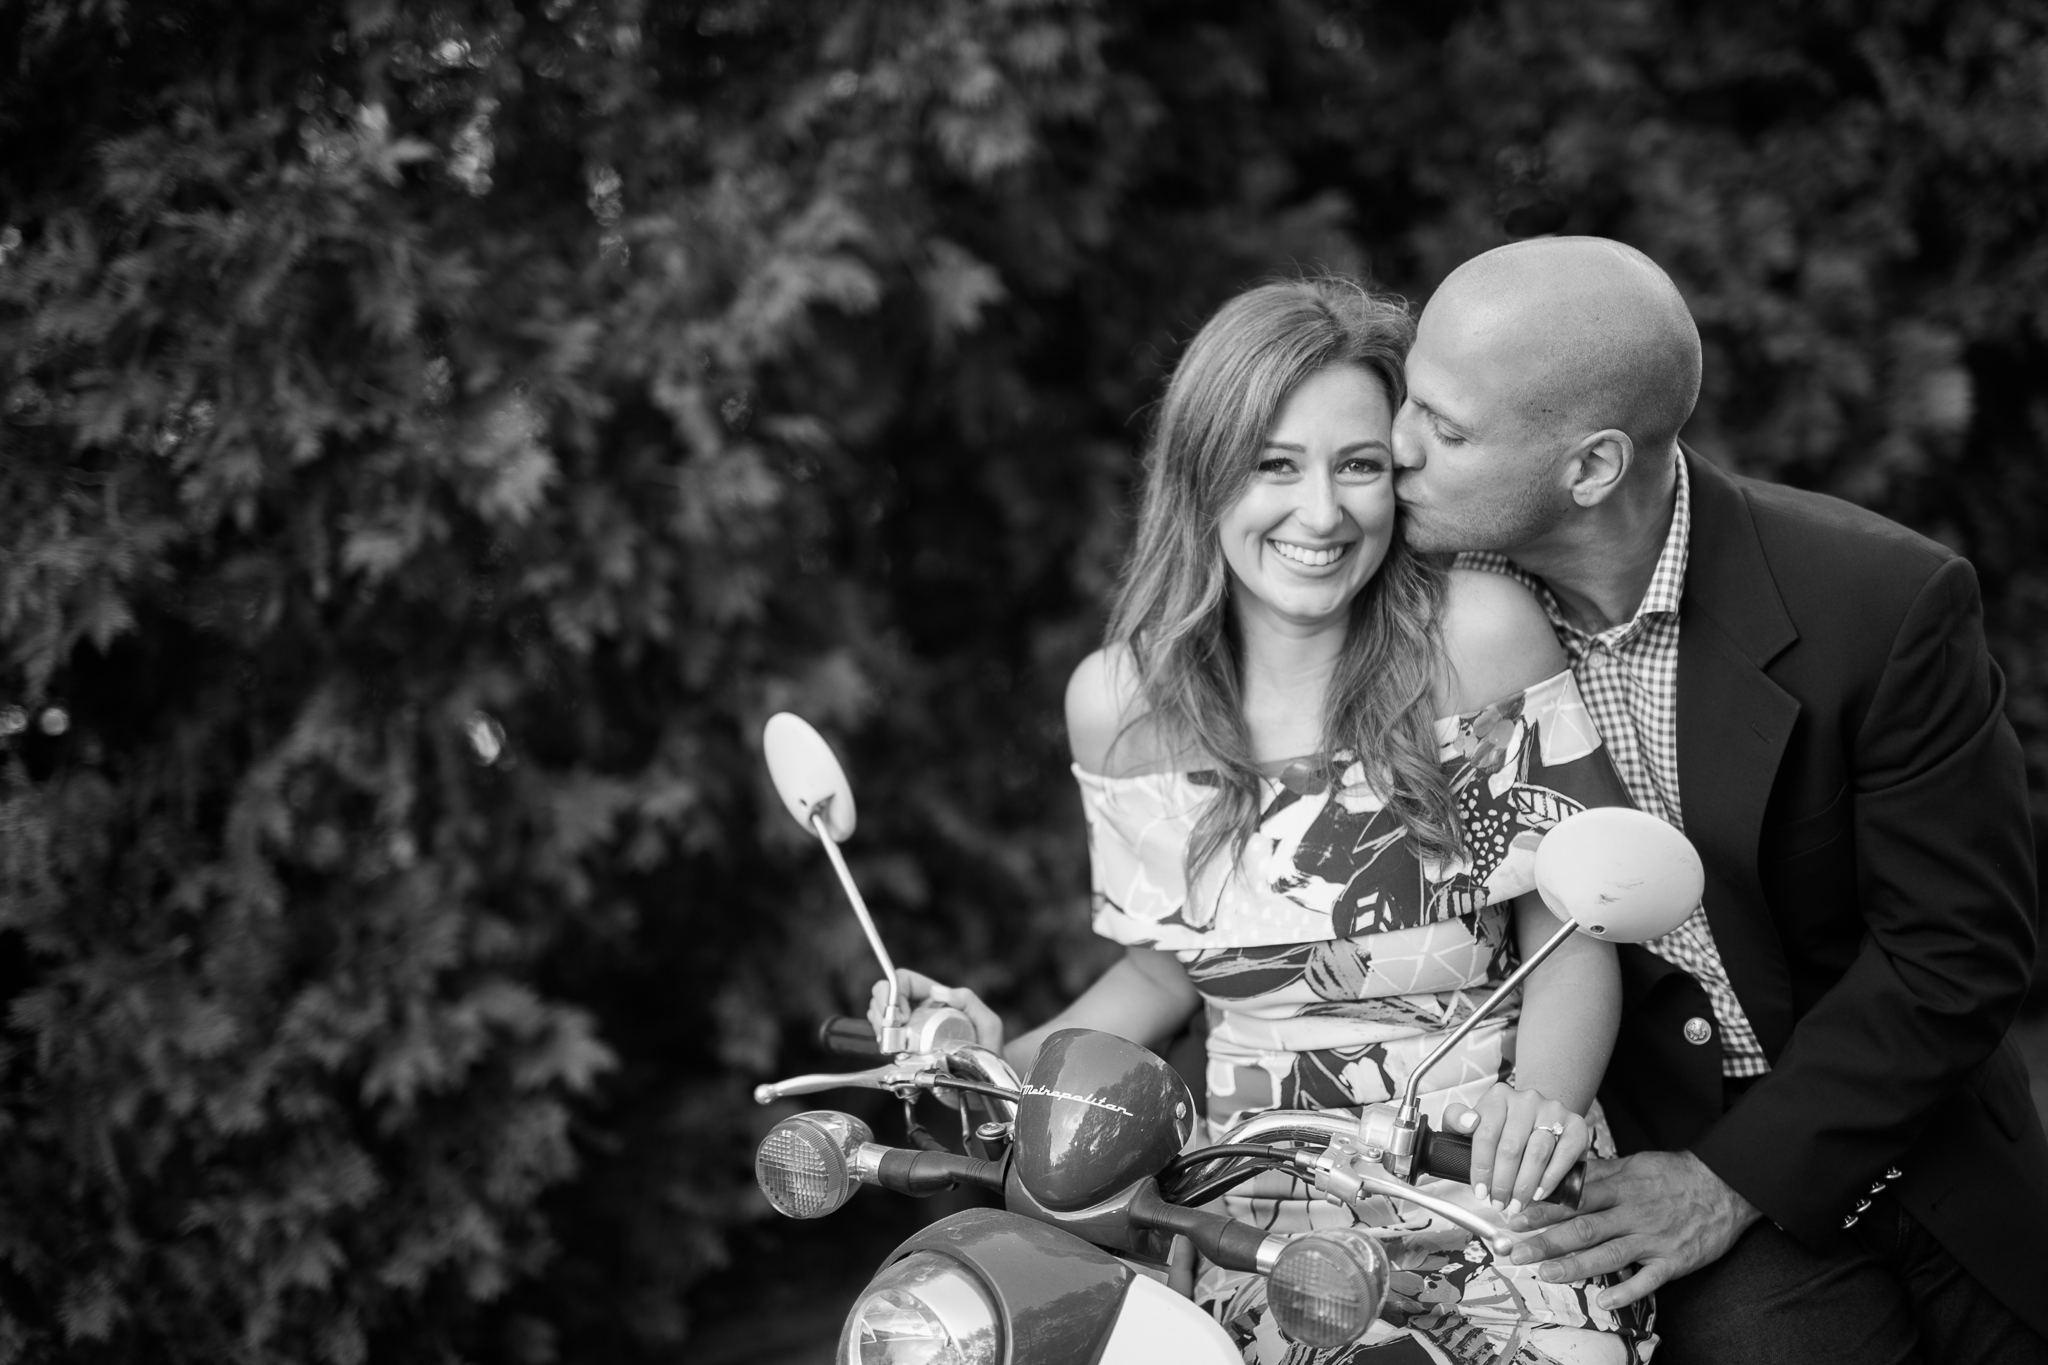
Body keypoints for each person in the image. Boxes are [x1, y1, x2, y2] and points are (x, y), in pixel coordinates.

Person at [874, 278, 1657, 1362]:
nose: (1322, 513)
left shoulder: (1476, 638)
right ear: (1202, 474)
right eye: (1273, 465)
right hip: (1246, 1213)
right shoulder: (1121, 705)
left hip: (1485, 1189)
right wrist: (984, 1063)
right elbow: (1159, 972)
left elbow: (1574, 930)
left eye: (1359, 465)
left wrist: (1538, 1114)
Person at [1388, 235, 2048, 1364]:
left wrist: (1727, 1182)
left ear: (1589, 467)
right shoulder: (1433, 637)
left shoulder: (1879, 600)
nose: (1394, 446)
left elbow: (1958, 948)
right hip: (1646, 1172)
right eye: (1408, 401)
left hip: (1916, 1145)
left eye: (1443, 430)